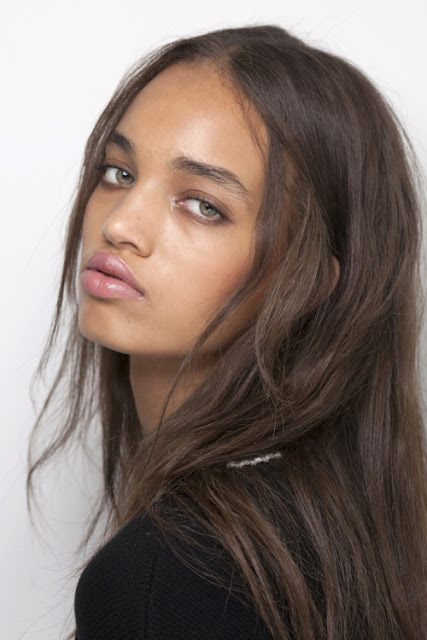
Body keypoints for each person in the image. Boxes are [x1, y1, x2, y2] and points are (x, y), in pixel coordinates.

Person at [27, 24, 427, 639]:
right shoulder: (347, 532)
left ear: (311, 283)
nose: (121, 224)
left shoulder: (167, 575)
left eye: (203, 205)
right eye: (119, 172)